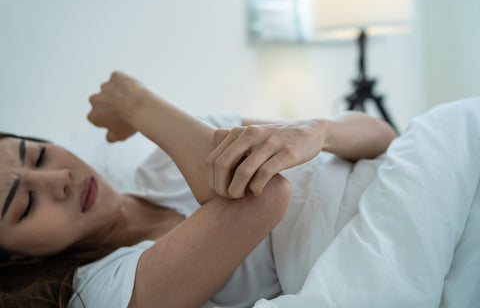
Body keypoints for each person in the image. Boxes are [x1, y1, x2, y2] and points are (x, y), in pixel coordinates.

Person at [0, 71, 396, 308]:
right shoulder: (101, 290)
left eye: (36, 155)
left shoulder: (164, 160)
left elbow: (381, 134)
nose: (59, 180)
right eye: (26, 203)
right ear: (14, 259)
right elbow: (264, 196)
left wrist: (316, 130)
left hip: (388, 182)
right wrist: (138, 103)